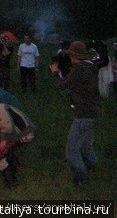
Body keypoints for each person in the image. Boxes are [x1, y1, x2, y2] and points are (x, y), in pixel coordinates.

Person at [49, 40, 100, 186]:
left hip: (83, 115)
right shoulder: (91, 66)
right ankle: (93, 167)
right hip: (93, 112)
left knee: (71, 149)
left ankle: (82, 180)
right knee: (86, 145)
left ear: (73, 56)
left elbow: (61, 85)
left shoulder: (79, 69)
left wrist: (54, 73)